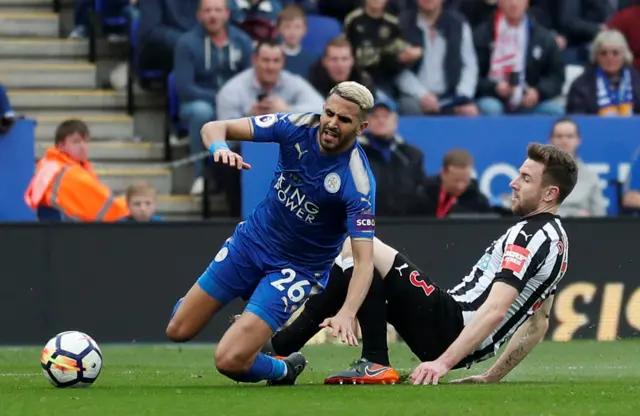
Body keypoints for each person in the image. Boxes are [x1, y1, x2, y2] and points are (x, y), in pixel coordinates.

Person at [262, 142, 578, 385]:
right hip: (452, 330)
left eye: (525, 178)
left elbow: (496, 310)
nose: (513, 183)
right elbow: (539, 323)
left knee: (361, 246)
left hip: (454, 325)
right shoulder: (556, 241)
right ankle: (282, 347)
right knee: (361, 262)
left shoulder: (530, 236)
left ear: (550, 193)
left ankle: (374, 360)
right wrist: (490, 375)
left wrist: (442, 364)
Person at [165, 81, 377, 386]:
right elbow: (214, 127)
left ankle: (284, 369)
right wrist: (220, 148)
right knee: (178, 330)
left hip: (295, 270)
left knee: (229, 360)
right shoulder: (294, 125)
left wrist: (348, 311)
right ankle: (211, 310)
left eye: (344, 120)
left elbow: (364, 261)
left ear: (360, 128)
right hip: (250, 244)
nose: (331, 123)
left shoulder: (358, 183)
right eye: (329, 113)